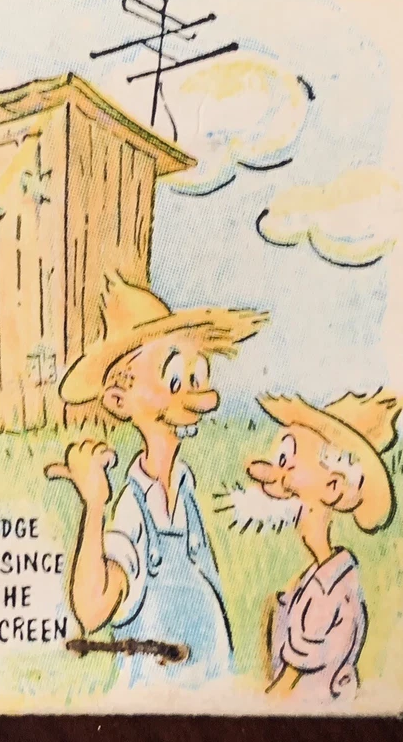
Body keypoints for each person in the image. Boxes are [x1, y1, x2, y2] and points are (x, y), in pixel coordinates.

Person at [45, 273, 267, 688]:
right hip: (156, 693)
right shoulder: (134, 506)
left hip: (214, 687)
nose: (200, 394)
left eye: (197, 377)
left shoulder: (185, 489)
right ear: (119, 399)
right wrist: (95, 504)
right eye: (175, 380)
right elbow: (92, 610)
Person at [246, 390, 403, 706]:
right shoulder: (325, 576)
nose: (274, 471)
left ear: (332, 487)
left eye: (287, 461)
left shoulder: (326, 591)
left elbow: (282, 691)